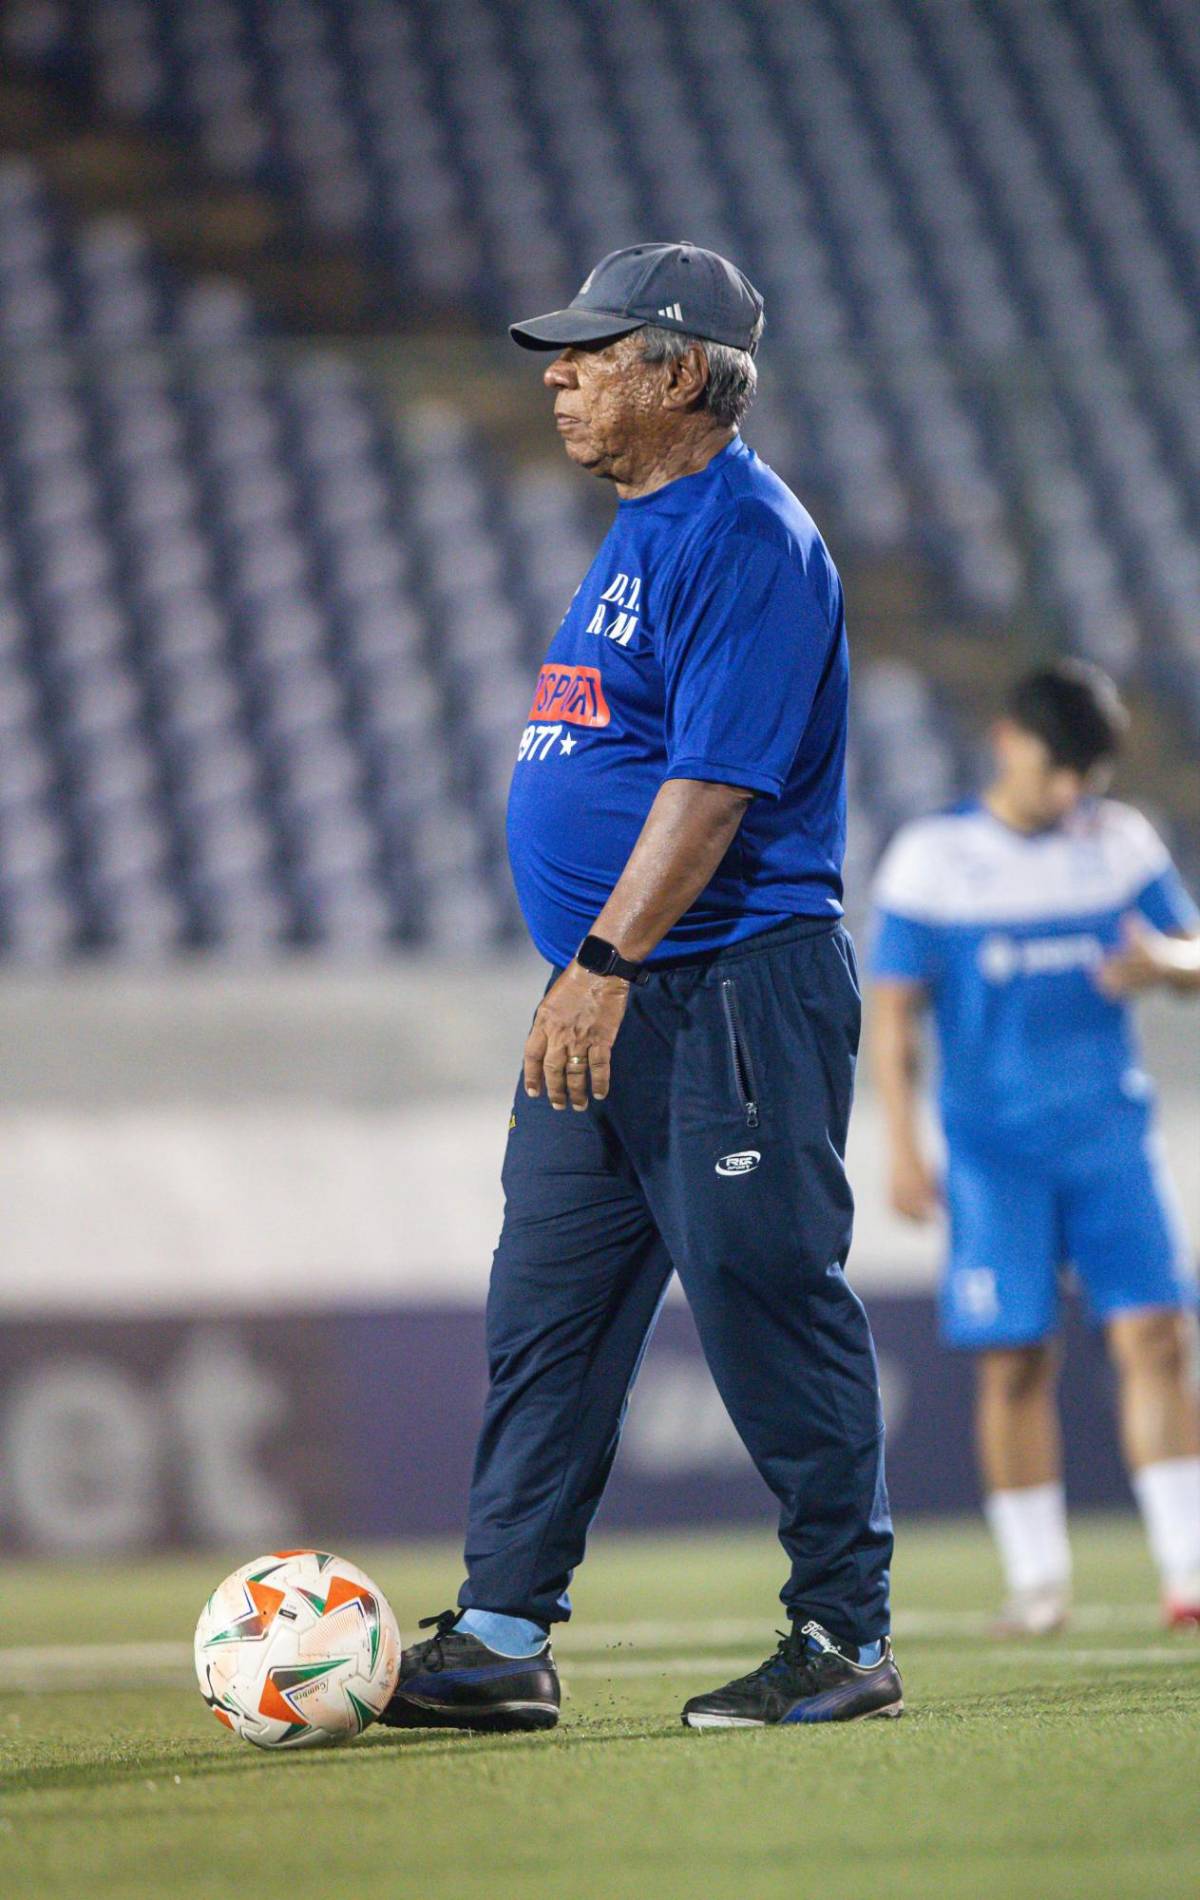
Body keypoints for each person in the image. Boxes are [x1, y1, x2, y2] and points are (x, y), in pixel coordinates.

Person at [381, 242, 900, 1732]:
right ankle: (497, 1633)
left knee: (762, 1292)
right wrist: (587, 973)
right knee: (547, 1309)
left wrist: (604, 962)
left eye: (594, 350)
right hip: (603, 997)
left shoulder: (747, 537)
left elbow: (714, 787)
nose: (559, 371)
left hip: (724, 987)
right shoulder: (648, 526)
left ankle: (844, 1636)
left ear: (678, 373)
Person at [870, 661, 1200, 1634]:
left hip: (1110, 1137)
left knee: (1159, 1337)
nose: (1073, 793)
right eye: (1063, 769)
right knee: (1014, 1359)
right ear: (1011, 742)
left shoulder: (1121, 842)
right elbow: (893, 1018)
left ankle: (1187, 1572)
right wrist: (900, 1145)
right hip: (991, 1152)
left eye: (1089, 776)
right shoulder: (932, 858)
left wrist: (1165, 965)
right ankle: (1039, 1579)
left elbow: (1193, 954)